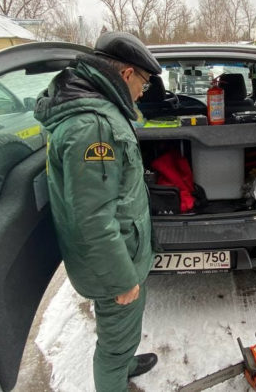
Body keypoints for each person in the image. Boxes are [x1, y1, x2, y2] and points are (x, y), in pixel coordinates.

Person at [34, 31, 161, 392]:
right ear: (125, 75)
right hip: (112, 262)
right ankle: (114, 377)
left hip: (122, 250)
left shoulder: (96, 112)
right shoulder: (94, 127)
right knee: (114, 338)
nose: (142, 92)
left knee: (123, 326)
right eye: (144, 83)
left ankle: (125, 361)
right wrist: (121, 278)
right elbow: (92, 216)